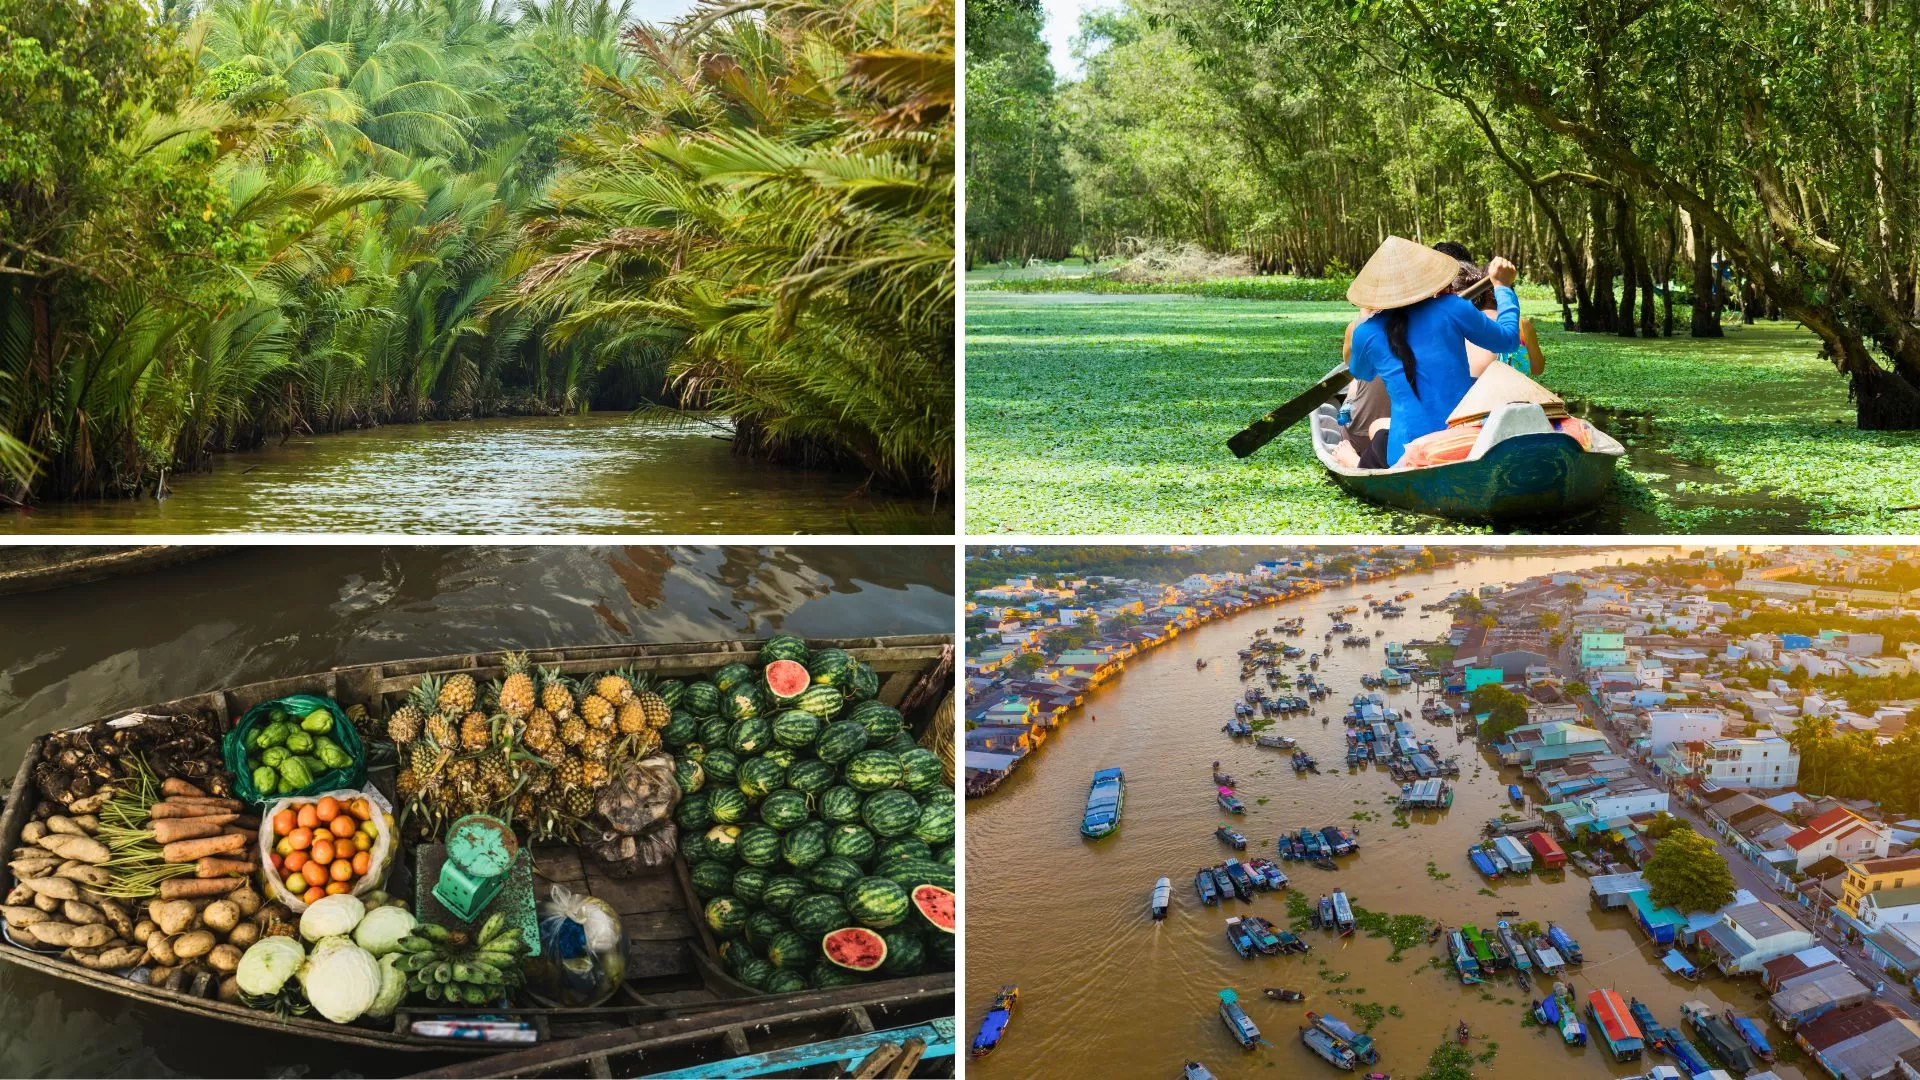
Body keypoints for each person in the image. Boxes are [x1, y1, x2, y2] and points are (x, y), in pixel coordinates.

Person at [1345, 236, 1521, 468]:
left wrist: (1366, 325)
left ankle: (1351, 463)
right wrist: (1503, 288)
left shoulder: (1365, 332)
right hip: (1461, 444)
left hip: (1404, 454)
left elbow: (1362, 372)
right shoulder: (1453, 307)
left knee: (1378, 430)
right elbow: (1508, 341)